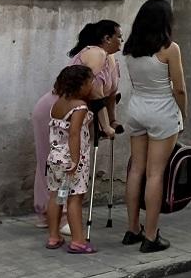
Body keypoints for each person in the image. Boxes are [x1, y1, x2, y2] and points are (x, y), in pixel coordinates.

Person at [32, 20, 123, 229]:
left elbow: (110, 94)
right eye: (118, 36)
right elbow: (92, 89)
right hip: (58, 111)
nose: (121, 40)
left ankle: (51, 214)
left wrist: (112, 120)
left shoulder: (111, 60)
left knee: (67, 161)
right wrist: (105, 126)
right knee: (58, 163)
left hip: (78, 114)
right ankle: (57, 216)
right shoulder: (95, 53)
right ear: (106, 38)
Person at [122, 0, 188, 253]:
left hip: (136, 108)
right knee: (155, 173)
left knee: (136, 169)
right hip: (161, 111)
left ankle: (132, 229)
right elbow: (179, 88)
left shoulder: (130, 48)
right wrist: (184, 114)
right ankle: (151, 236)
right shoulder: (170, 49)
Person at [44, 65, 96, 253]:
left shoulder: (57, 104)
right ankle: (78, 241)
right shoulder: (79, 106)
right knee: (74, 199)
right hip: (73, 160)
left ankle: (53, 237)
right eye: (90, 82)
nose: (92, 85)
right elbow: (74, 133)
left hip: (55, 158)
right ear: (80, 84)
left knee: (56, 196)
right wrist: (75, 161)